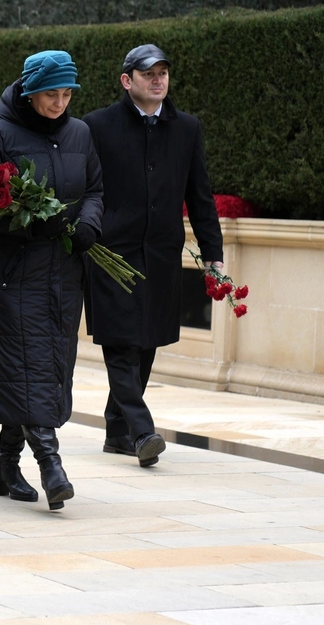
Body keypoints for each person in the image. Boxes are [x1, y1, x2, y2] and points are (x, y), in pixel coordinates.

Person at [0, 50, 103, 510]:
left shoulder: (81, 133)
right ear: (29, 90)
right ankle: (51, 464)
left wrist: (88, 225)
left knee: (44, 366)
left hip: (62, 271)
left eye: (66, 94)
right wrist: (25, 223)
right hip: (8, 272)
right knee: (27, 363)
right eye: (51, 94)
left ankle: (6, 463)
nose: (60, 102)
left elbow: (96, 189)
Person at [83, 44, 223, 467]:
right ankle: (142, 431)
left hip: (161, 257)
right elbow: (87, 189)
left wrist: (213, 254)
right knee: (121, 341)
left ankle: (115, 431)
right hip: (111, 255)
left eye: (163, 72)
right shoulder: (96, 127)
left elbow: (200, 197)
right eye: (148, 73)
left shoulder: (187, 128)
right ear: (127, 81)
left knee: (146, 343)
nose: (158, 79)